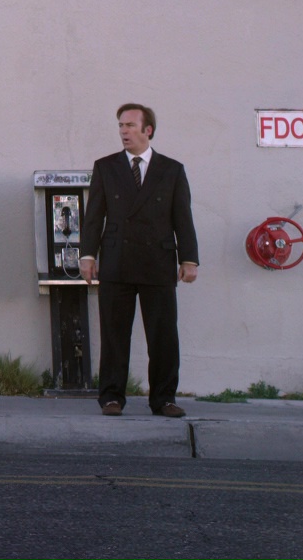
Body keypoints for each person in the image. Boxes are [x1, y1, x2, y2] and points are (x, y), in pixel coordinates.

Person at [79, 103, 198, 417]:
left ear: (148, 130)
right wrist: (87, 255)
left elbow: (182, 217)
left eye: (130, 125)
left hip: (157, 260)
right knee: (114, 334)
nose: (123, 131)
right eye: (121, 125)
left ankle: (164, 398)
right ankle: (111, 397)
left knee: (163, 335)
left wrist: (189, 259)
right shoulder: (106, 167)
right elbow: (94, 216)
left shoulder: (171, 170)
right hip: (116, 260)